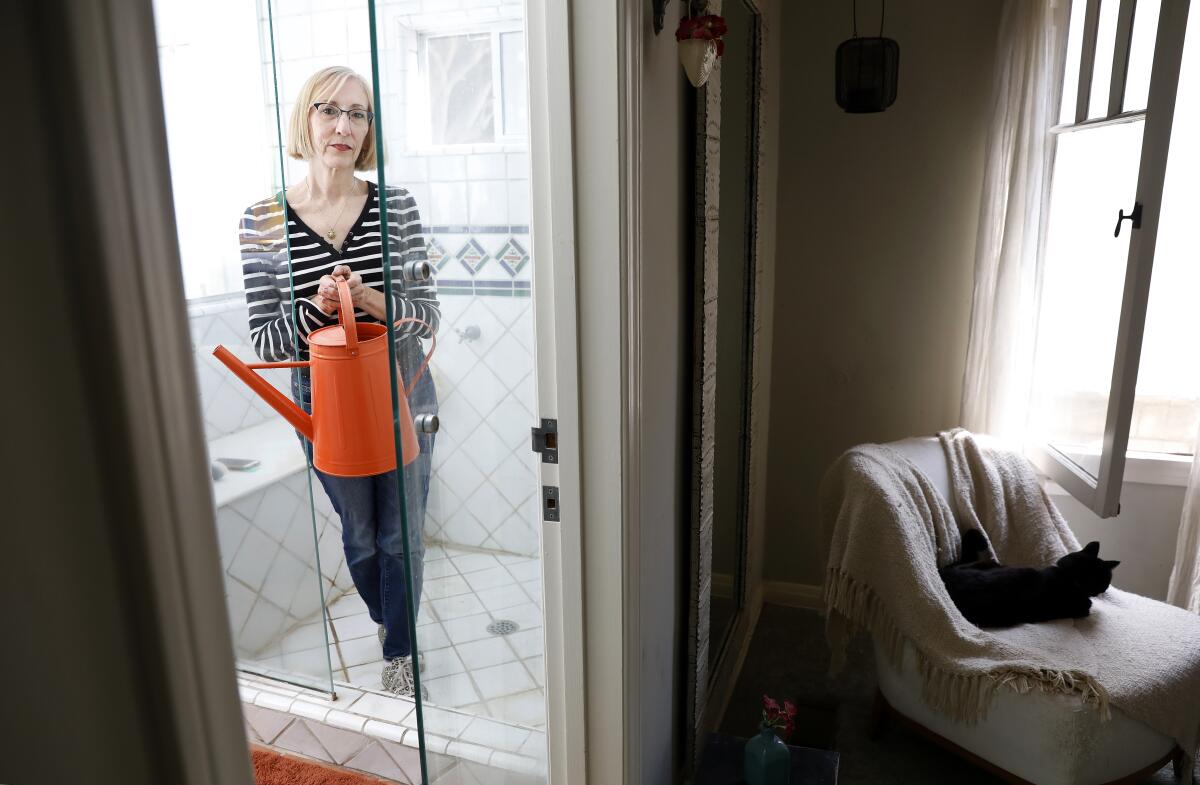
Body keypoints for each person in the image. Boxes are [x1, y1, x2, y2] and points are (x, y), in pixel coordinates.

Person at [238, 66, 439, 697]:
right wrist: (319, 308)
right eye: (330, 110)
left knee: (401, 531)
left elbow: (428, 314)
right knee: (360, 534)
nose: (344, 126)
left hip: (401, 391)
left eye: (358, 114)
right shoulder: (262, 220)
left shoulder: (396, 205)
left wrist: (369, 298)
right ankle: (389, 623)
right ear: (305, 118)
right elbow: (267, 342)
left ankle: (401, 652)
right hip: (323, 405)